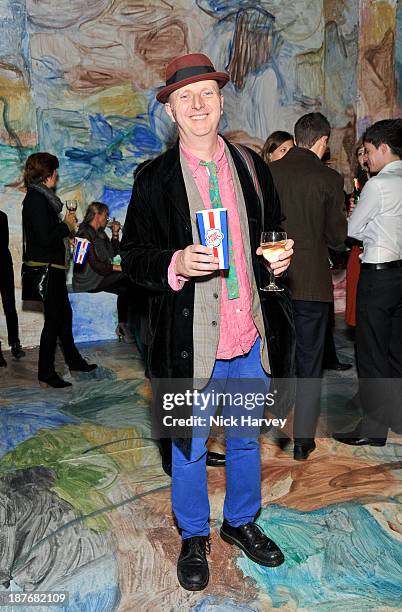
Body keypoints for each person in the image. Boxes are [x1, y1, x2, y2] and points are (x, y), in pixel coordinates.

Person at [120, 52, 295, 591]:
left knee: (245, 441)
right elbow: (134, 255)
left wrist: (281, 257)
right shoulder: (154, 179)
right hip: (188, 341)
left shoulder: (251, 165)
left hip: (248, 336)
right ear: (171, 112)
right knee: (189, 445)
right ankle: (194, 535)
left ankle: (241, 522)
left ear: (221, 102)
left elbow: (275, 229)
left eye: (207, 94)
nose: (197, 105)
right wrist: (174, 262)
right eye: (184, 98)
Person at [269, 112, 347, 460]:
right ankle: (302, 440)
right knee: (310, 361)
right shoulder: (329, 178)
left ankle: (267, 423)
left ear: (298, 137)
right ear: (323, 141)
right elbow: (336, 238)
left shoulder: (269, 172)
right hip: (313, 284)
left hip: (273, 281)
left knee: (275, 358)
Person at [333, 119, 402, 445]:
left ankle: (373, 431)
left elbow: (353, 230)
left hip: (378, 274)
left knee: (372, 354)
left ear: (384, 148)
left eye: (370, 151)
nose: (367, 158)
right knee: (396, 351)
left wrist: (358, 217)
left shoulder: (377, 185)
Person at [22, 152, 97, 388]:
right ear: (47, 174)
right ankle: (46, 371)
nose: (57, 175)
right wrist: (66, 226)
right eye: (55, 171)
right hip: (47, 270)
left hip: (53, 268)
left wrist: (67, 237)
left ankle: (73, 361)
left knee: (64, 317)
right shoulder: (36, 199)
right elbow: (44, 238)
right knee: (54, 321)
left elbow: (46, 236)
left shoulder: (41, 198)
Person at [72, 202, 134, 343]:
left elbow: (113, 254)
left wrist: (115, 234)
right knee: (126, 275)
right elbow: (96, 265)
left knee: (125, 288)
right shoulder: (83, 233)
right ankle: (125, 326)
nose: (107, 218)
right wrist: (119, 268)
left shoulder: (100, 233)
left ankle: (122, 326)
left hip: (100, 276)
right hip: (87, 280)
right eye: (105, 215)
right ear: (97, 215)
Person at [345, 143, 370, 328]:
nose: (364, 157)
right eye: (360, 153)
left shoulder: (379, 182)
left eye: (366, 152)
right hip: (357, 247)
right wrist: (351, 213)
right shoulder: (358, 184)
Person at [0, 210, 25, 367]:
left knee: (10, 305)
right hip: (3, 261)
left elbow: (3, 243)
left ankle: (15, 343)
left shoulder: (2, 216)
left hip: (3, 263)